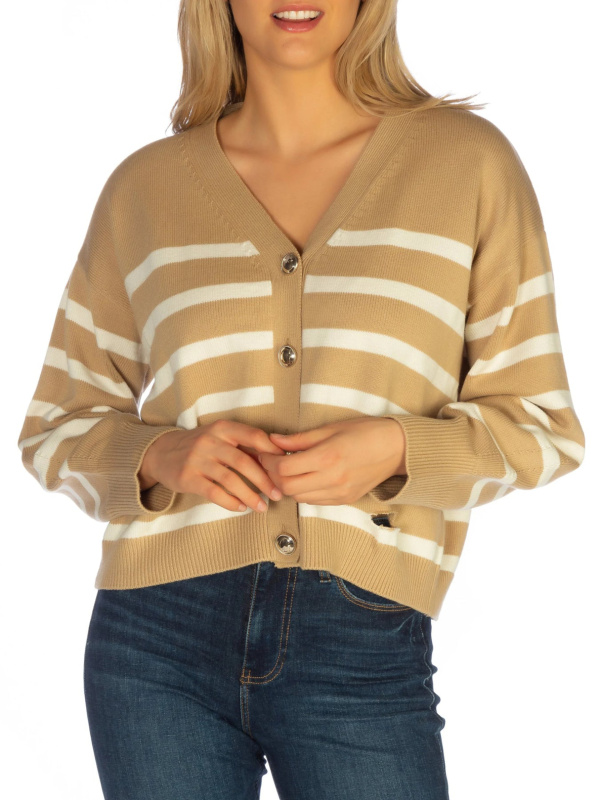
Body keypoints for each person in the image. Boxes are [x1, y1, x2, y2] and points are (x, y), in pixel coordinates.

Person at [16, 1, 586, 798]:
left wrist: (395, 450)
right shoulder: (145, 189)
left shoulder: (467, 166)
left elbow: (542, 425)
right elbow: (55, 426)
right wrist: (161, 455)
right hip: (154, 639)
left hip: (361, 637)